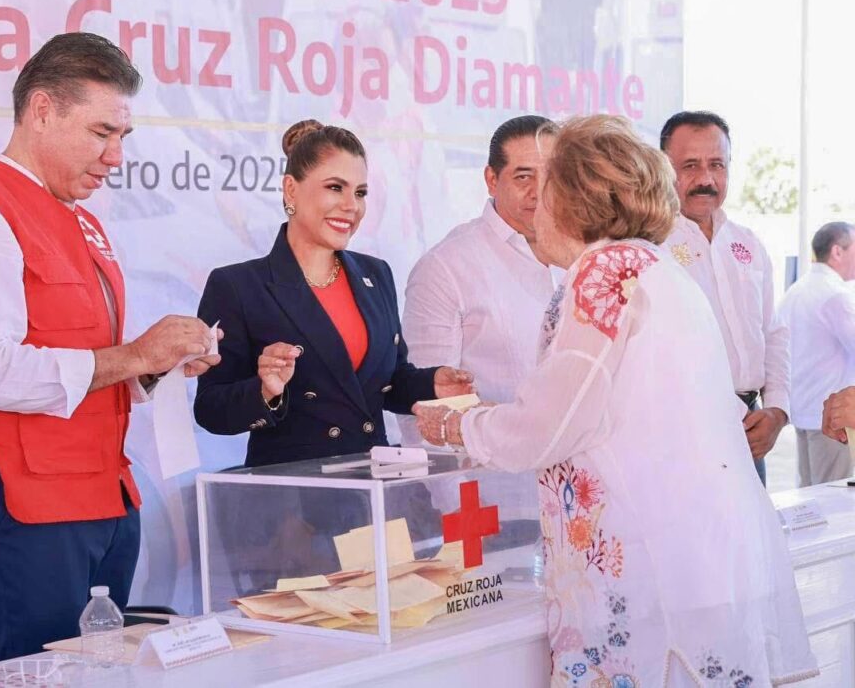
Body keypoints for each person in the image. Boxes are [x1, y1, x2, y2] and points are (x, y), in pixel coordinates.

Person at [414, 115, 816, 685]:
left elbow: (551, 423)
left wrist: (457, 427)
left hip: (652, 568)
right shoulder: (653, 266)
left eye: (546, 187)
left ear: (574, 197)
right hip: (694, 557)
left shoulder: (604, 272)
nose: (535, 208)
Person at [0, 32, 220, 661]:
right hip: (23, 512)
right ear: (42, 110)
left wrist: (154, 368)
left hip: (104, 500)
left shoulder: (82, 219)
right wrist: (134, 355)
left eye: (123, 136)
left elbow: (87, 364)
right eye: (102, 132)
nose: (115, 156)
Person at [194, 119, 473, 468]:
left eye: (360, 193)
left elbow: (388, 383)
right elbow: (211, 409)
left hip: (372, 481)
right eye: (335, 187)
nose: (351, 205)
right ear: (291, 190)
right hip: (292, 492)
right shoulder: (237, 286)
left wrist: (433, 384)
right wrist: (266, 390)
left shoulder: (376, 274)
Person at [401, 115, 559, 440]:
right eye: (524, 176)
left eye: (551, 176)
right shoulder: (445, 268)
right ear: (491, 179)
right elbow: (426, 410)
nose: (539, 191)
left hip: (582, 468)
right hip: (495, 471)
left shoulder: (584, 255)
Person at [660, 110, 789, 486]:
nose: (706, 179)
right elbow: (663, 353)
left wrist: (777, 411)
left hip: (751, 432)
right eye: (690, 166)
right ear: (663, 168)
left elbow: (773, 332)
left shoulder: (747, 244)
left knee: (754, 526)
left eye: (717, 164)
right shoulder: (651, 246)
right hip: (682, 430)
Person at [780, 222, 855, 484]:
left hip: (804, 409)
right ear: (837, 251)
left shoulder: (797, 290)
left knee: (810, 493)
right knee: (832, 496)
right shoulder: (835, 296)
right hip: (833, 419)